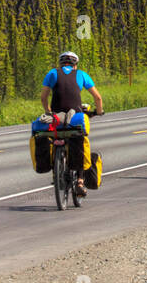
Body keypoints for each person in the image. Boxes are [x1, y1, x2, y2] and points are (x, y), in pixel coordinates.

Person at [40, 50, 103, 195]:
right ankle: (80, 182)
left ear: (60, 63)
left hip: (56, 118)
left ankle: (56, 171)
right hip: (75, 117)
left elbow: (44, 97)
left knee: (54, 136)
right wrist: (99, 112)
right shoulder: (81, 74)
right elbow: (98, 98)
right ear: (75, 64)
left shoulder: (52, 73)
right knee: (80, 142)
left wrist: (49, 112)